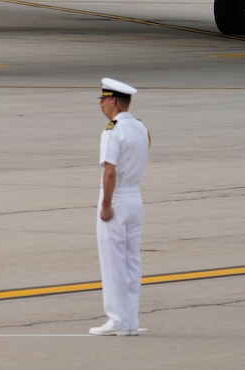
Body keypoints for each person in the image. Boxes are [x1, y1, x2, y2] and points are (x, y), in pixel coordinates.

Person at [89, 77, 150, 336]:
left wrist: (106, 205)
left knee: (113, 262)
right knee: (132, 261)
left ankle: (117, 320)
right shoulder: (140, 127)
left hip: (117, 198)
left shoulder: (112, 130)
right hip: (135, 197)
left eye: (103, 99)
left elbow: (110, 171)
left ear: (113, 101)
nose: (101, 104)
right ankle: (131, 321)